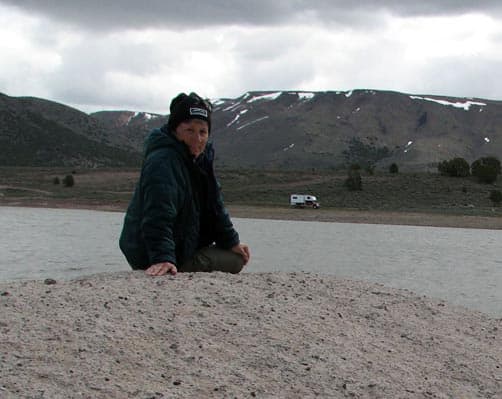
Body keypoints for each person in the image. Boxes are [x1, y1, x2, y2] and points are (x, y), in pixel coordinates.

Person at [119, 92, 250, 276]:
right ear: (175, 130)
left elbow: (215, 205)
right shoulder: (163, 160)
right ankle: (175, 263)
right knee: (234, 262)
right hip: (148, 251)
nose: (197, 139)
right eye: (190, 130)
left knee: (236, 254)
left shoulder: (201, 160)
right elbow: (158, 213)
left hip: (180, 241)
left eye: (202, 132)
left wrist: (231, 242)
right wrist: (162, 257)